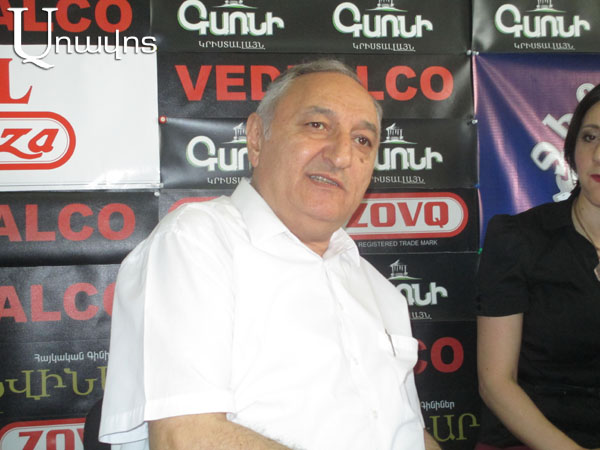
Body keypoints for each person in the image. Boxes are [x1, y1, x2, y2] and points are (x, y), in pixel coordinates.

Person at [98, 59, 441, 450]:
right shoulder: (197, 242)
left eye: (363, 140)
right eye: (317, 125)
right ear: (258, 138)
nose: (341, 155)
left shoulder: (382, 293)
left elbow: (407, 432)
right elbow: (187, 437)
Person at [475, 83, 600, 450]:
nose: (599, 154)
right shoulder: (518, 239)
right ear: (572, 149)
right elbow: (496, 383)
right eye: (590, 137)